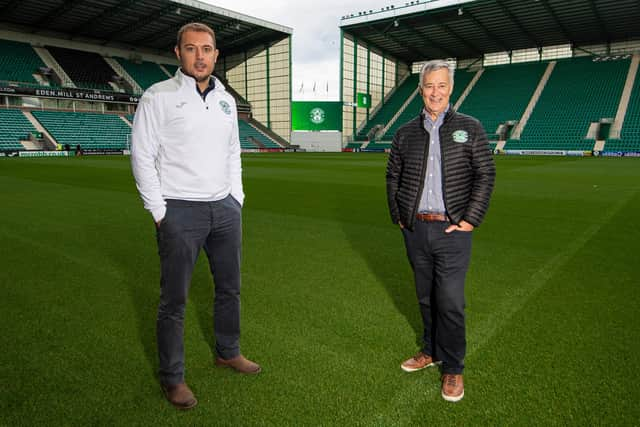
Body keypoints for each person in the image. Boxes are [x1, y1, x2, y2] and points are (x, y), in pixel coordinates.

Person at [131, 22, 260, 410]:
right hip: (179, 211)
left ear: (216, 55)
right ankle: (173, 378)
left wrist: (235, 199)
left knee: (229, 289)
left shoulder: (225, 99)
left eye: (207, 49)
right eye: (191, 49)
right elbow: (142, 156)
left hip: (223, 209)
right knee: (174, 300)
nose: (200, 56)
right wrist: (159, 212)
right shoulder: (159, 96)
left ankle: (228, 350)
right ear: (178, 53)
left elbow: (232, 152)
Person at [385, 59, 495, 402]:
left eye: (442, 85)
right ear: (421, 89)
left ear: (451, 89)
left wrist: (470, 219)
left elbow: (485, 174)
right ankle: (430, 351)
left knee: (450, 301)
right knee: (424, 298)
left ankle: (454, 368)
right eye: (429, 85)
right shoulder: (405, 132)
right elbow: (393, 176)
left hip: (453, 232)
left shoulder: (470, 127)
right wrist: (400, 216)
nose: (435, 92)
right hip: (416, 230)